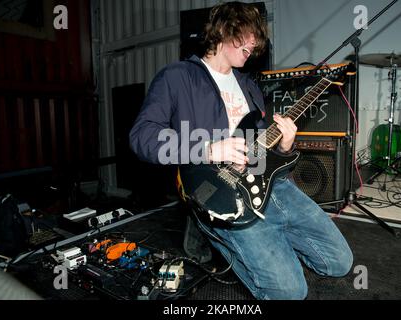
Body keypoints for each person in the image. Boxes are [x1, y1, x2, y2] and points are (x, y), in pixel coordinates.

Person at [129, 1, 353, 300]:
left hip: (274, 186)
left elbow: (261, 145)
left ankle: (272, 249)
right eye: (249, 37)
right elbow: (142, 138)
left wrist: (285, 146)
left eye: (256, 42)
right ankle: (238, 245)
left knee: (340, 262)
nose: (254, 45)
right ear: (225, 29)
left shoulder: (249, 85)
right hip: (220, 191)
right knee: (290, 293)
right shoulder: (178, 77)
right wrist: (208, 148)